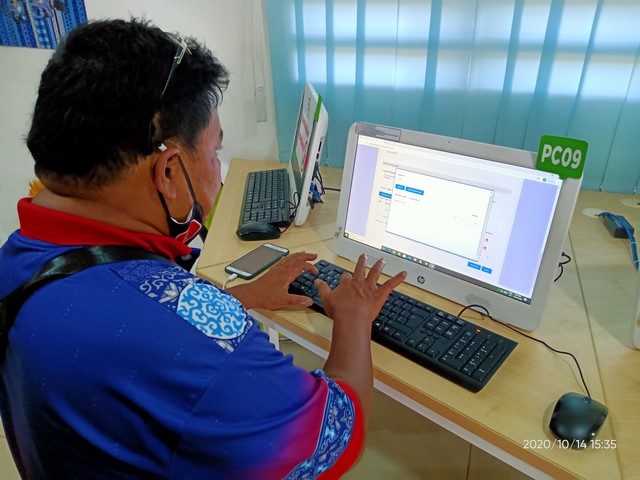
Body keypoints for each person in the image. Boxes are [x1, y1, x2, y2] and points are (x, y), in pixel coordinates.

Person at [0, 18, 406, 479]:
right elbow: (337, 435)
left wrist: (235, 298)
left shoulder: (19, 260)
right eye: (214, 154)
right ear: (169, 172)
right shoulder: (199, 354)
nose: (218, 172)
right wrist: (353, 317)